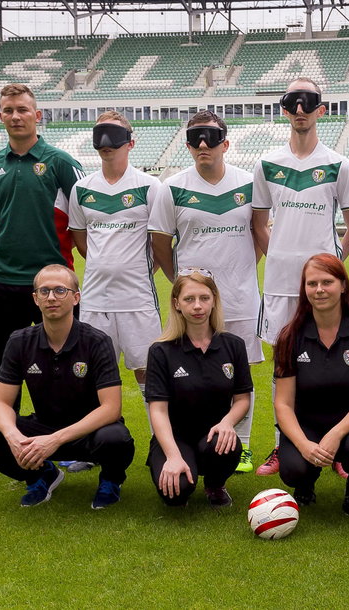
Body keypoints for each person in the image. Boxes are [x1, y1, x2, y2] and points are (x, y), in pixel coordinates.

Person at [250, 78, 349, 478]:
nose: (300, 109)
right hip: (281, 285)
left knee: (332, 363)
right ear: (284, 110)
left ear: (321, 109)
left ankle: (337, 445)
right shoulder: (267, 164)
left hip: (324, 288)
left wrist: (331, 264)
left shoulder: (339, 165)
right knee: (285, 368)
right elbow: (258, 223)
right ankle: (284, 446)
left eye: (309, 101)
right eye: (293, 103)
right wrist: (278, 257)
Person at [0, 265, 136, 508]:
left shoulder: (97, 341)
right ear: (35, 299)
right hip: (42, 427)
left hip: (87, 431)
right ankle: (41, 474)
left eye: (60, 290)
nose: (51, 297)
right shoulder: (19, 341)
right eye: (44, 291)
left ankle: (110, 480)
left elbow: (111, 409)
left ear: (76, 298)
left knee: (116, 437)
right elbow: (2, 403)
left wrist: (55, 439)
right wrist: (13, 436)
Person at [151, 111, 263, 474]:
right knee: (194, 369)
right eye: (196, 138)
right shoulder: (172, 187)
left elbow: (260, 234)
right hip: (194, 303)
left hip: (241, 296)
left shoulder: (249, 182)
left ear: (225, 144)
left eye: (211, 137)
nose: (203, 144)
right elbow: (160, 241)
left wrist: (243, 271)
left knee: (239, 375)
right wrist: (181, 282)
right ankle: (193, 439)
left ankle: (240, 446)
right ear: (186, 145)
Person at [0, 83, 85, 391]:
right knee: (5, 364)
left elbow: (82, 218)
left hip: (55, 283)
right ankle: (6, 434)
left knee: (67, 361)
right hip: (3, 281)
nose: (16, 116)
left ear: (37, 115)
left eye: (22, 109)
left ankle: (68, 434)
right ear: (0, 116)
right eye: (8, 111)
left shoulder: (62, 163)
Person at [68, 110, 169, 401]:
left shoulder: (150, 187)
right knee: (94, 371)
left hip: (137, 297)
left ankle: (158, 439)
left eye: (113, 134)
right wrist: (105, 266)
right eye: (100, 134)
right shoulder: (82, 189)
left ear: (130, 143)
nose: (106, 141)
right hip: (96, 299)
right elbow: (81, 238)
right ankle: (99, 441)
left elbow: (160, 241)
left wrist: (137, 270)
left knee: (148, 370)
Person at [272, 254, 349, 515]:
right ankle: (305, 484)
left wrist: (336, 434)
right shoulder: (290, 336)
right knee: (293, 470)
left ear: (343, 285)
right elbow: (283, 403)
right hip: (307, 426)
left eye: (327, 282)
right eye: (312, 284)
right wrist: (303, 444)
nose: (319, 290)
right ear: (304, 289)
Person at [145, 270, 254, 507]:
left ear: (214, 300)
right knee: (175, 494)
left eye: (204, 298)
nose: (197, 306)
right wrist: (173, 456)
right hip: (175, 437)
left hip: (214, 436)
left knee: (228, 443)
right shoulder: (161, 351)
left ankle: (215, 485)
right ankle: (182, 465)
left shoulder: (233, 345)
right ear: (176, 304)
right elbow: (158, 410)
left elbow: (243, 398)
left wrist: (227, 423)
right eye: (189, 299)